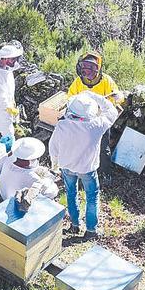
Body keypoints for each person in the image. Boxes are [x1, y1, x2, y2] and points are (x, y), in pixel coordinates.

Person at [49, 92, 119, 239]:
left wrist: (55, 164)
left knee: (71, 194)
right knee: (92, 197)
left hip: (66, 167)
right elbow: (112, 111)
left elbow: (53, 147)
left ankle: (75, 225)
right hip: (87, 169)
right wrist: (94, 96)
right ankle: (91, 230)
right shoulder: (96, 125)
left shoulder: (62, 125)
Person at [66, 51, 123, 183]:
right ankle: (81, 172)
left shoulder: (106, 80)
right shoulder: (78, 82)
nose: (87, 70)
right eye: (85, 66)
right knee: (81, 148)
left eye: (91, 67)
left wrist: (116, 97)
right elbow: (70, 97)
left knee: (103, 149)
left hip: (100, 121)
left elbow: (118, 97)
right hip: (82, 122)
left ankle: (106, 174)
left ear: (98, 68)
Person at [0, 42, 23, 151]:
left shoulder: (6, 69)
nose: (14, 61)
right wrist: (9, 108)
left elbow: (8, 89)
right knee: (8, 131)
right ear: (5, 59)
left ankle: (3, 142)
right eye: (12, 59)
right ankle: (9, 152)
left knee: (6, 126)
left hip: (8, 104)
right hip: (1, 107)